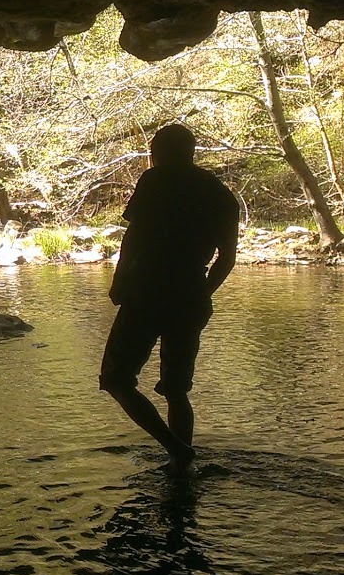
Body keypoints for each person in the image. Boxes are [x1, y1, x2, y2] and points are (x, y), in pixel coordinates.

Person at [100, 124, 240, 475]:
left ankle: (176, 449)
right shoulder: (219, 192)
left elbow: (134, 238)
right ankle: (180, 464)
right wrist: (202, 293)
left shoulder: (155, 180)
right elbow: (227, 259)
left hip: (147, 290)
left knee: (116, 379)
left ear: (159, 152)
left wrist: (120, 280)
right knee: (177, 389)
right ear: (191, 151)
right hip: (190, 292)